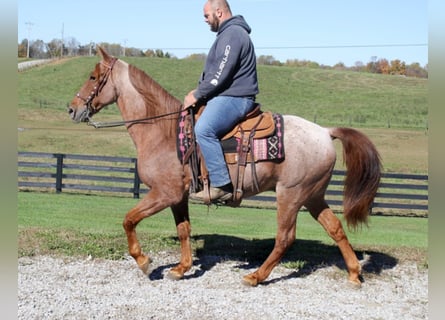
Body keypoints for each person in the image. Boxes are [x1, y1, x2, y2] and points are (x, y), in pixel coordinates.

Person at [184, 0, 259, 202]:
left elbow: (220, 73)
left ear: (219, 12)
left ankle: (221, 185)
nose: (205, 20)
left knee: (203, 130)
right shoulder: (228, 34)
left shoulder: (233, 34)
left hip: (235, 97)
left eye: (207, 15)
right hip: (227, 95)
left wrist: (198, 94)